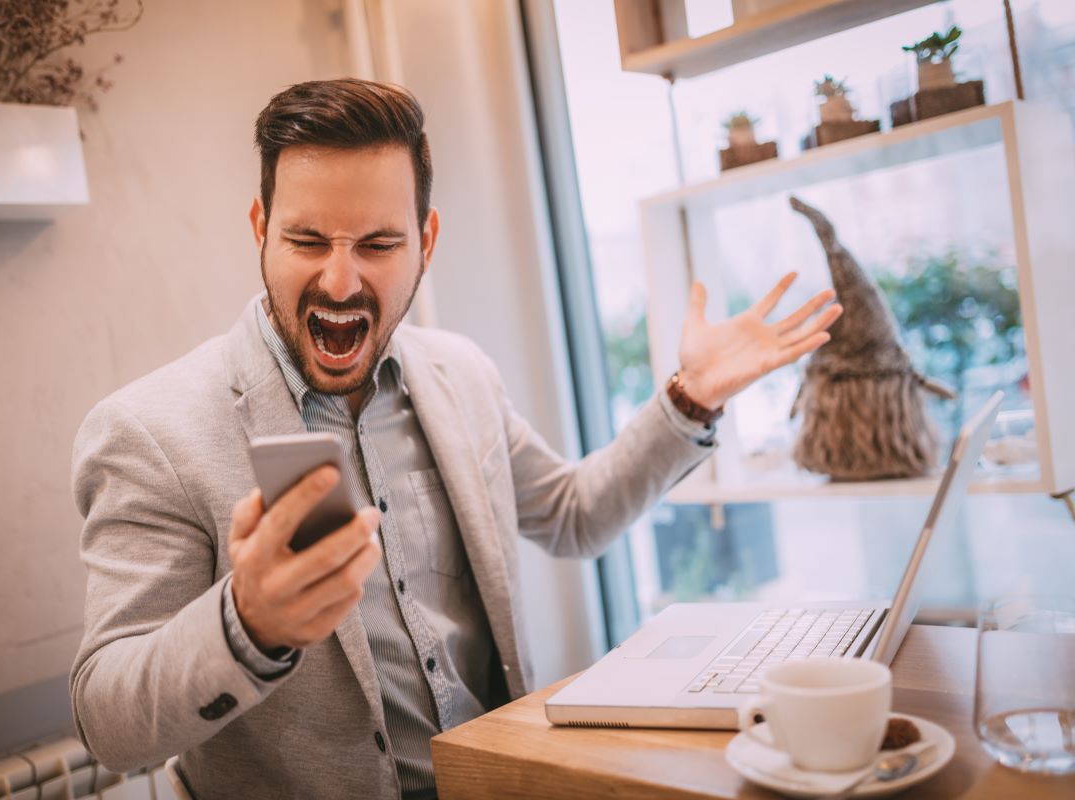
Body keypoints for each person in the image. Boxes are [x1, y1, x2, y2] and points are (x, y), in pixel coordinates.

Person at [70, 78, 841, 799]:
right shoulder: (148, 431)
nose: (340, 282)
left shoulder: (460, 373)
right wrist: (248, 624)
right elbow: (109, 723)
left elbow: (575, 516)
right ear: (259, 228)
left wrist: (690, 399)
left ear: (426, 241)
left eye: (377, 244)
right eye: (308, 240)